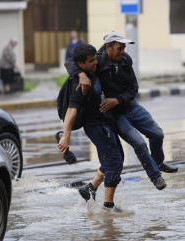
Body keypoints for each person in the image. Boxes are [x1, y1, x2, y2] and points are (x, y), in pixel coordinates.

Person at [64, 30, 178, 191]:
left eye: (124, 47)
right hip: (116, 114)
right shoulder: (98, 61)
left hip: (131, 106)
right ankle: (155, 176)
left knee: (157, 134)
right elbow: (71, 62)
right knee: (138, 143)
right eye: (119, 48)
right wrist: (81, 74)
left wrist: (118, 100)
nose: (123, 51)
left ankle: (158, 162)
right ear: (108, 48)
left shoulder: (125, 60)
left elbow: (133, 87)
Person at [58, 43, 124, 211]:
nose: (96, 62)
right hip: (96, 126)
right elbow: (72, 110)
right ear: (81, 64)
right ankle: (109, 206)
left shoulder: (88, 71)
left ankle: (90, 188)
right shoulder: (80, 85)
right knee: (114, 162)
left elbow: (106, 46)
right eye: (91, 61)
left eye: (95, 59)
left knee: (118, 157)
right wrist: (66, 136)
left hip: (106, 122)